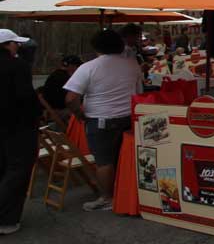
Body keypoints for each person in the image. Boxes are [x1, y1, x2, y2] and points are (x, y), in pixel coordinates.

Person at [64, 29, 143, 212]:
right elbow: (139, 92)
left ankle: (107, 197)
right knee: (121, 158)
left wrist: (79, 113)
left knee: (104, 161)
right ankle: (120, 191)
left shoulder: (89, 67)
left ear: (96, 46)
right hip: (127, 117)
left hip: (100, 119)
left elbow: (70, 98)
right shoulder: (132, 64)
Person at [0, 29, 39, 234]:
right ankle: (6, 218)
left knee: (4, 168)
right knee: (18, 170)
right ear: (7, 45)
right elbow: (26, 98)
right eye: (15, 43)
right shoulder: (17, 66)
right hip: (19, 126)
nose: (18, 46)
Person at [42, 55, 82, 119]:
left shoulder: (55, 75)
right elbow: (71, 100)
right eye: (78, 66)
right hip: (60, 112)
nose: (79, 69)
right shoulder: (66, 79)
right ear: (72, 66)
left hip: (50, 110)